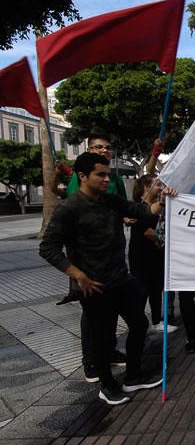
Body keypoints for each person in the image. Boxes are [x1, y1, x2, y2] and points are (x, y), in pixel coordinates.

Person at [39, 152, 176, 405]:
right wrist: (78, 275)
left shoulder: (110, 200)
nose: (106, 179)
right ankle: (108, 385)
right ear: (82, 176)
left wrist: (164, 199)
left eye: (107, 174)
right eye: (100, 175)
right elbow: (48, 248)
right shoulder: (68, 208)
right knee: (103, 338)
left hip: (120, 280)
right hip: (94, 287)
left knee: (139, 325)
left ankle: (133, 376)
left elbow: (143, 211)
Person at [51, 135, 128, 383]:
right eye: (98, 147)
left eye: (108, 147)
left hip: (113, 260)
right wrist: (76, 272)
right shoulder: (80, 180)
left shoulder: (113, 179)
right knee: (92, 316)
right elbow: (70, 207)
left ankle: (110, 350)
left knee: (113, 311)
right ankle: (91, 361)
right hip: (88, 263)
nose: (105, 151)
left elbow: (121, 207)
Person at [128, 174, 177, 333]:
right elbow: (148, 232)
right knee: (142, 292)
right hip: (141, 258)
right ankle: (138, 325)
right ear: (146, 188)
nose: (161, 188)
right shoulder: (137, 206)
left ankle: (157, 321)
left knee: (156, 290)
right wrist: (160, 240)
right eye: (157, 184)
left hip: (156, 257)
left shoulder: (159, 206)